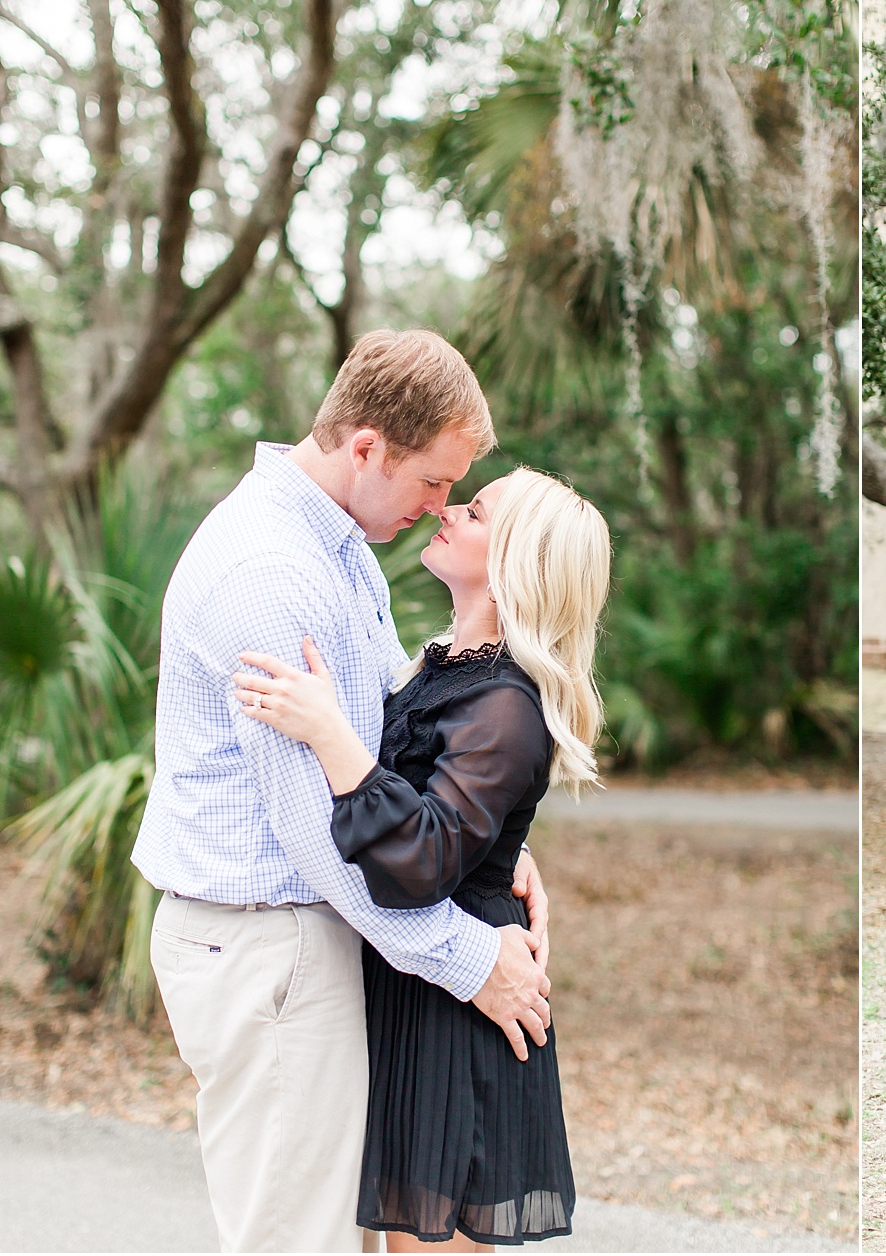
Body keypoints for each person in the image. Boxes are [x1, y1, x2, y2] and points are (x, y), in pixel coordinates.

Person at [133, 330, 555, 1253]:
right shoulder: (272, 573)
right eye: (435, 483)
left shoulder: (340, 544)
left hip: (317, 936)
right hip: (269, 941)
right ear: (366, 447)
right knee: (297, 1241)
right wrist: (468, 958)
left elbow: (381, 744)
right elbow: (314, 834)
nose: (440, 508)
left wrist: (495, 844)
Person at [235, 467, 609, 1250]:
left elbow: (426, 857)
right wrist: (511, 843)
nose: (447, 510)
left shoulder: (505, 699)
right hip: (419, 984)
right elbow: (449, 805)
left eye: (474, 510)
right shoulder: (448, 664)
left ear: (514, 560)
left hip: (459, 1008)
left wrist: (330, 735)